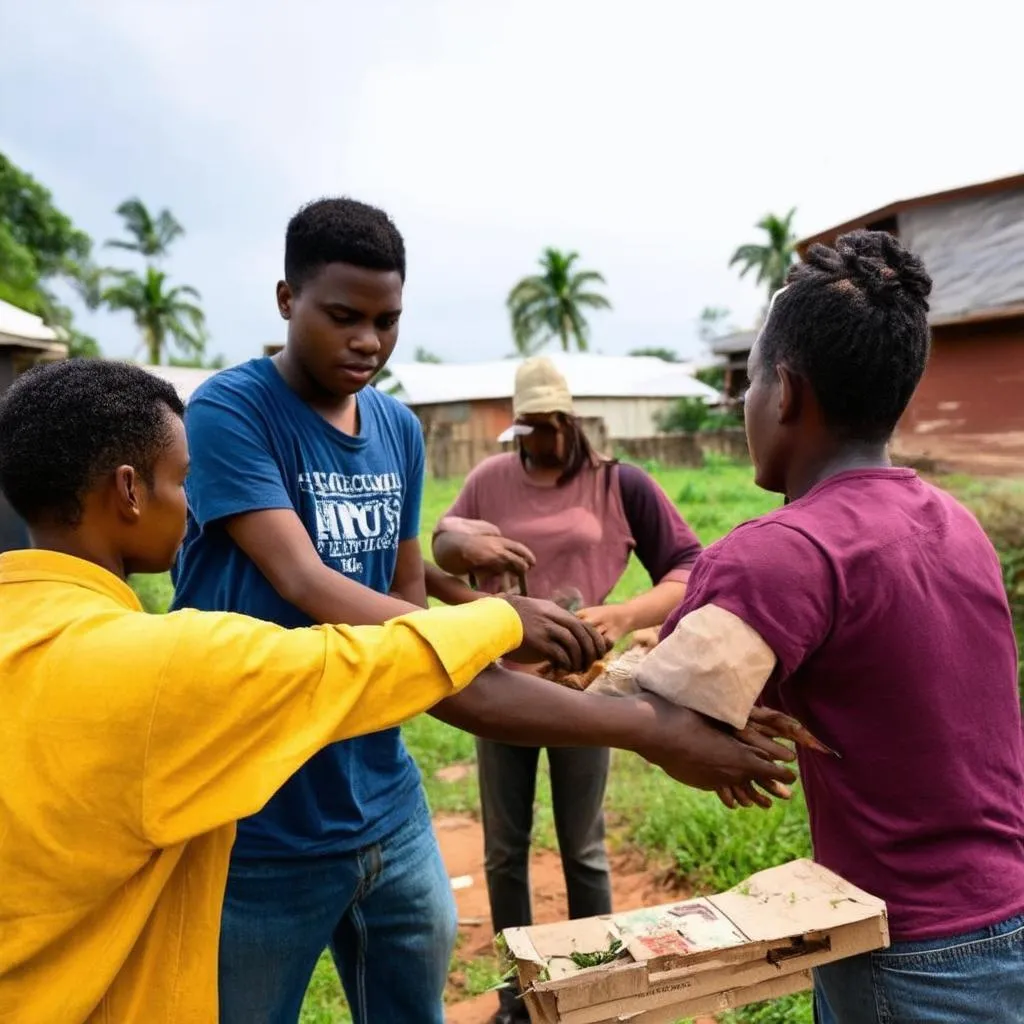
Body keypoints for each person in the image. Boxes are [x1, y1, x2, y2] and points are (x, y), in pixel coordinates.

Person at [0, 359, 802, 1023]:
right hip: (274, 845)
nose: (195, 504)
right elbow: (352, 649)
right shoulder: (170, 661)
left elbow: (402, 597)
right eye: (186, 482)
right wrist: (507, 625)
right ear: (130, 491)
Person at [168, 197, 799, 1024]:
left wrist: (494, 617)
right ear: (287, 300)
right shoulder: (232, 411)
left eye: (388, 320)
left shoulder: (394, 426)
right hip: (260, 807)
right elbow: (305, 581)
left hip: (383, 797)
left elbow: (405, 612)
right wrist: (501, 622)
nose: (368, 341)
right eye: (343, 316)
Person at [640, 231, 1024, 1023]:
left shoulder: (778, 552)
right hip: (1008, 915)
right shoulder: (956, 523)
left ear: (783, 391)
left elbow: (668, 710)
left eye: (746, 384)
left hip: (910, 957)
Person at [432, 356, 703, 1023]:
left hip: (583, 692)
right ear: (516, 425)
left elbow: (689, 567)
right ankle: (517, 996)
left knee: (583, 846)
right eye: (531, 425)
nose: (545, 438)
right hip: (502, 687)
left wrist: (622, 616)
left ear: (572, 417)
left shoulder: (619, 483)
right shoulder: (490, 479)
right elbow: (440, 547)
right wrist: (464, 548)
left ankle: (593, 988)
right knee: (505, 850)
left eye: (555, 423)